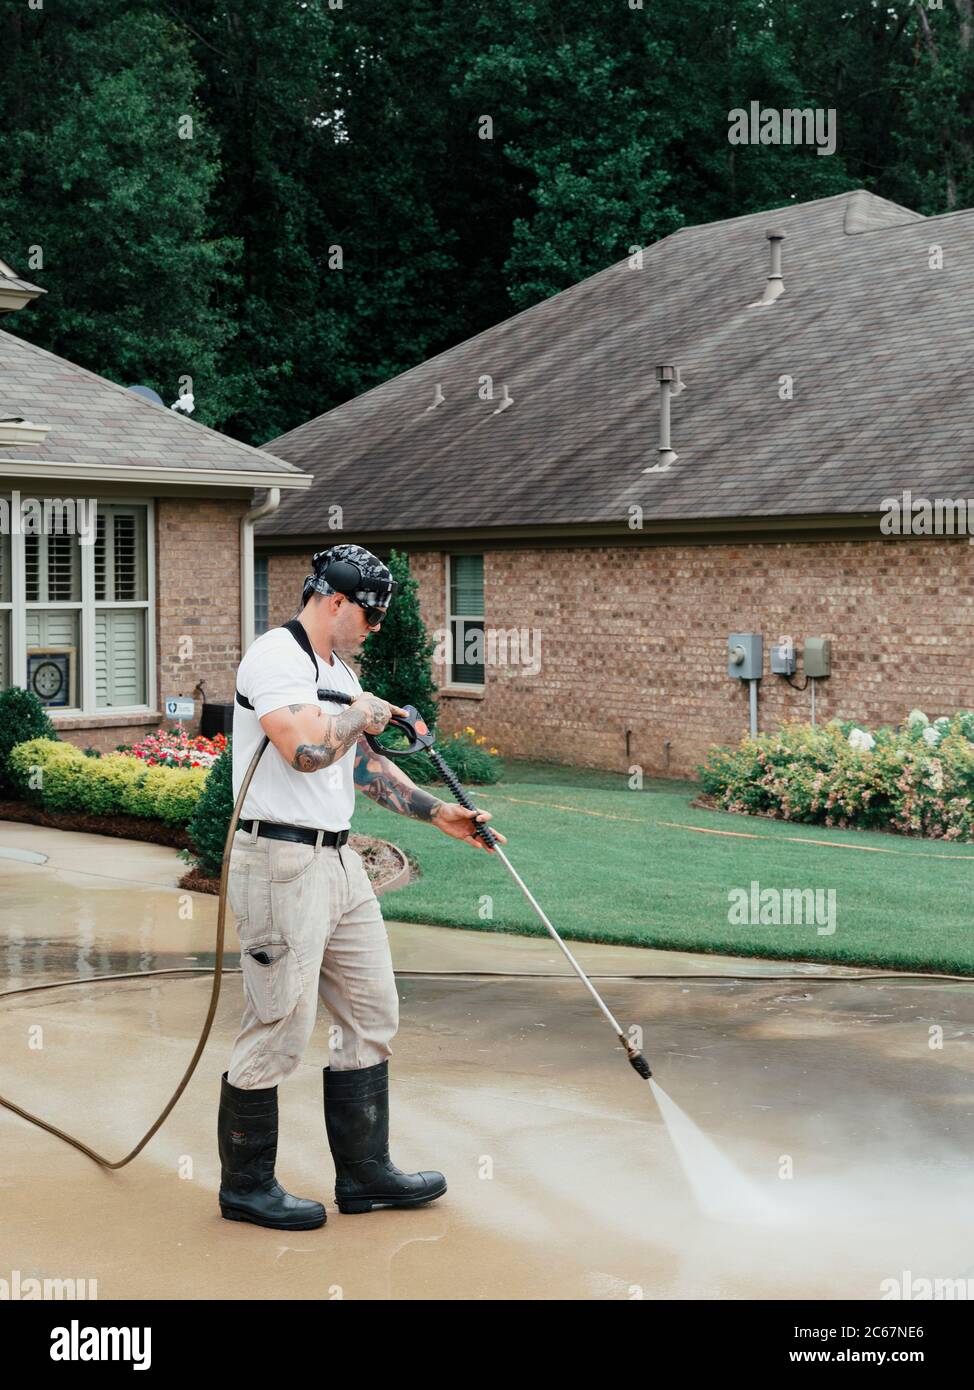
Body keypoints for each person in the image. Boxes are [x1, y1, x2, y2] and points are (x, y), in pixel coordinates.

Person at [217, 543, 506, 1230]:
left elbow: (360, 769)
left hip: (340, 863)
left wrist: (442, 814)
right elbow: (305, 749)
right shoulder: (275, 658)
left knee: (373, 1012)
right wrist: (360, 714)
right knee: (281, 1024)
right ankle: (246, 1186)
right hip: (278, 862)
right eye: (371, 616)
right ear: (336, 601)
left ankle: (365, 1174)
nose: (374, 629)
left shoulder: (339, 670)